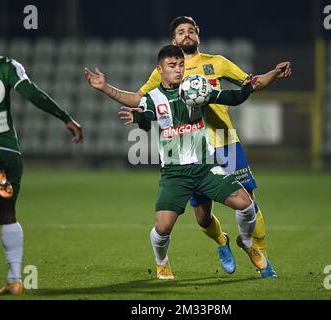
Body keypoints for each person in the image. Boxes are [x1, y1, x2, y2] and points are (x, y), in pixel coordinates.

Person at [85, 16, 291, 278]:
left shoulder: (216, 64)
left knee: (248, 199)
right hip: (185, 155)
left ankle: (256, 250)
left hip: (223, 141)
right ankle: (221, 241)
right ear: (174, 41)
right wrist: (116, 97)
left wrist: (273, 72)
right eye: (181, 32)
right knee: (202, 217)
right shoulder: (164, 73)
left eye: (191, 30)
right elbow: (143, 101)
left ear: (198, 36)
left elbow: (247, 86)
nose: (186, 35)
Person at [116, 45, 271, 279]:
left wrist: (249, 85)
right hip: (174, 174)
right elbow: (147, 117)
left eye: (181, 65)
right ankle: (162, 262)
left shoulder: (195, 88)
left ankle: (247, 242)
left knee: (246, 204)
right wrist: (136, 116)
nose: (178, 70)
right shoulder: (153, 97)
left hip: (206, 167)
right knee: (163, 228)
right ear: (160, 69)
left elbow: (235, 97)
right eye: (172, 65)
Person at [0, 15, 83, 295]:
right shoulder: (6, 65)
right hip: (8, 151)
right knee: (8, 212)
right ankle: (15, 280)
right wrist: (66, 118)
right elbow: (33, 93)